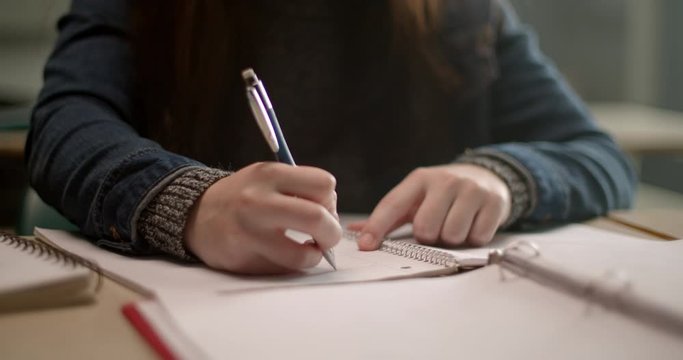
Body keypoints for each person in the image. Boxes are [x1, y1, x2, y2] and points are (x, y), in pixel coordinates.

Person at [26, 0, 635, 274]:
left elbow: (598, 155)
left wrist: (500, 176)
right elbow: (63, 125)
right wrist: (187, 205)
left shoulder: (462, 13)